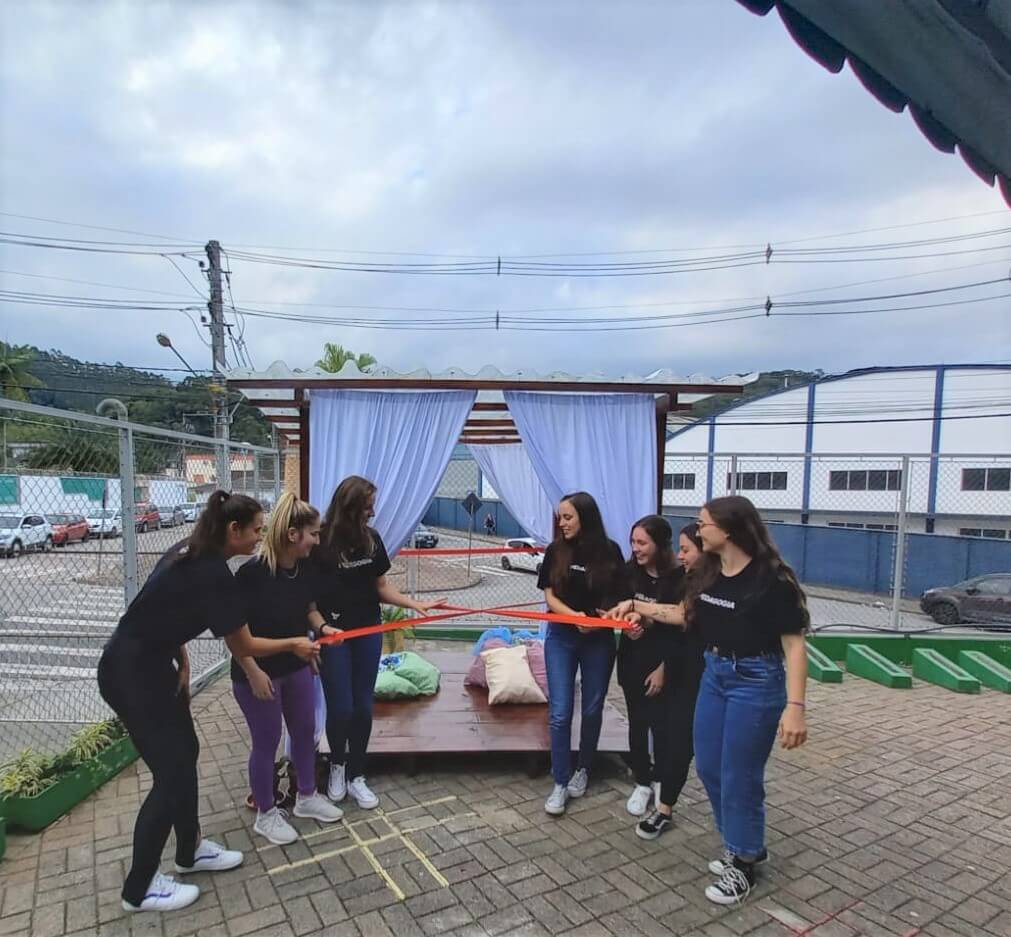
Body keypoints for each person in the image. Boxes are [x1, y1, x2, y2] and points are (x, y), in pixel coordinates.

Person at [97, 491, 320, 913]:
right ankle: (138, 889)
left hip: (152, 667)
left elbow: (157, 610)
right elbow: (246, 644)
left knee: (187, 756)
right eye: (255, 530)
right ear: (232, 530)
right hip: (131, 676)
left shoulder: (192, 550)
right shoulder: (210, 572)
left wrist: (179, 657)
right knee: (171, 776)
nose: (259, 537)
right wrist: (295, 643)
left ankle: (189, 853)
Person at [616, 497, 809, 904]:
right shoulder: (707, 571)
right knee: (708, 767)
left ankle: (742, 863)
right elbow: (684, 615)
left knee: (739, 774)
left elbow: (794, 646)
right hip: (716, 674)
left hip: (756, 680)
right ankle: (745, 846)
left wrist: (796, 707)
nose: (697, 530)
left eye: (703, 524)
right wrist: (635, 606)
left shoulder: (771, 580)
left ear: (730, 530)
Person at [312, 476, 444, 809]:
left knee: (362, 707)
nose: (373, 510)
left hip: (368, 631)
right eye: (368, 504)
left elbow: (380, 586)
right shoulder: (321, 541)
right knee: (340, 707)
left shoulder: (372, 540)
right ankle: (338, 767)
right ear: (351, 505)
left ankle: (357, 775)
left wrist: (415, 604)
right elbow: (309, 599)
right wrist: (322, 627)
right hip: (335, 636)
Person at [233, 492, 345, 846]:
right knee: (265, 742)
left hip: (296, 665)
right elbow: (235, 635)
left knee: (305, 731)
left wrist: (325, 629)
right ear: (293, 534)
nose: (317, 540)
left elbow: (309, 609)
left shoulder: (304, 568)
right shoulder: (251, 575)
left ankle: (307, 797)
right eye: (313, 533)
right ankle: (266, 814)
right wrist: (252, 671)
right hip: (259, 673)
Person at [616, 519, 710, 843]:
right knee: (648, 729)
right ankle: (652, 790)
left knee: (675, 738)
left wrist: (664, 668)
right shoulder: (636, 573)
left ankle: (664, 790)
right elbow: (671, 616)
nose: (636, 549)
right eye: (633, 542)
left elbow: (679, 619)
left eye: (642, 543)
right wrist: (633, 617)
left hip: (687, 671)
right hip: (642, 661)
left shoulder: (690, 580)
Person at [537, 491, 628, 816]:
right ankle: (560, 781)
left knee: (592, 708)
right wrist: (574, 618)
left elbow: (623, 598)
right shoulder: (555, 550)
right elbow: (549, 594)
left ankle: (583, 769)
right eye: (560, 517)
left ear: (585, 517)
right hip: (561, 636)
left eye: (568, 517)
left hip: (598, 640)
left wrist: (603, 619)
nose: (562, 523)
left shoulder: (610, 552)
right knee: (560, 712)